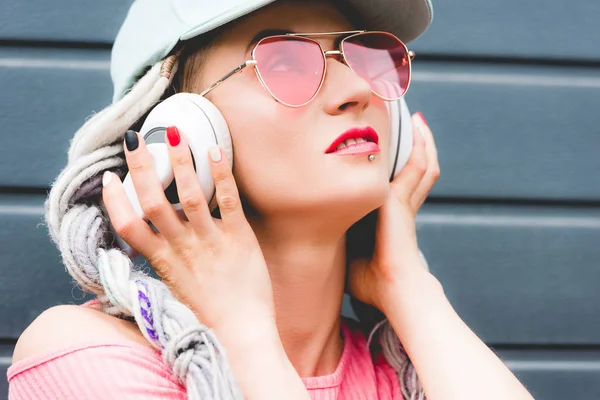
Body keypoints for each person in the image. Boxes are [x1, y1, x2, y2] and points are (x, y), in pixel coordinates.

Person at [7, 0, 535, 399]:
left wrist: (410, 287)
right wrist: (243, 328)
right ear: (181, 133)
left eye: (365, 53)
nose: (358, 88)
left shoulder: (424, 369)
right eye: (283, 62)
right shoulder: (88, 357)